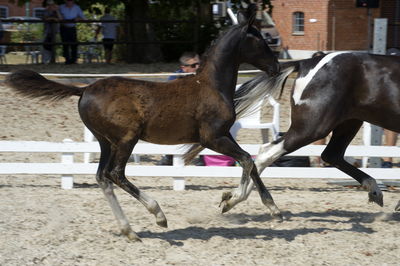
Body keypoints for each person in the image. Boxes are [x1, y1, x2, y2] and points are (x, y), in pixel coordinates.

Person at [157, 52, 202, 166]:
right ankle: (169, 156)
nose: (197, 67)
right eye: (193, 65)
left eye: (198, 64)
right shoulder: (175, 77)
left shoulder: (202, 76)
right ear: (184, 68)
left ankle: (204, 157)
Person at [59, 0, 85, 64]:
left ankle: (74, 59)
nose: (69, 2)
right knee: (65, 44)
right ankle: (67, 59)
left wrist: (78, 18)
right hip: (64, 27)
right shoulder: (61, 7)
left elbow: (83, 17)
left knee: (74, 44)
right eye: (67, 1)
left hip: (72, 27)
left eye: (70, 1)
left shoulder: (77, 8)